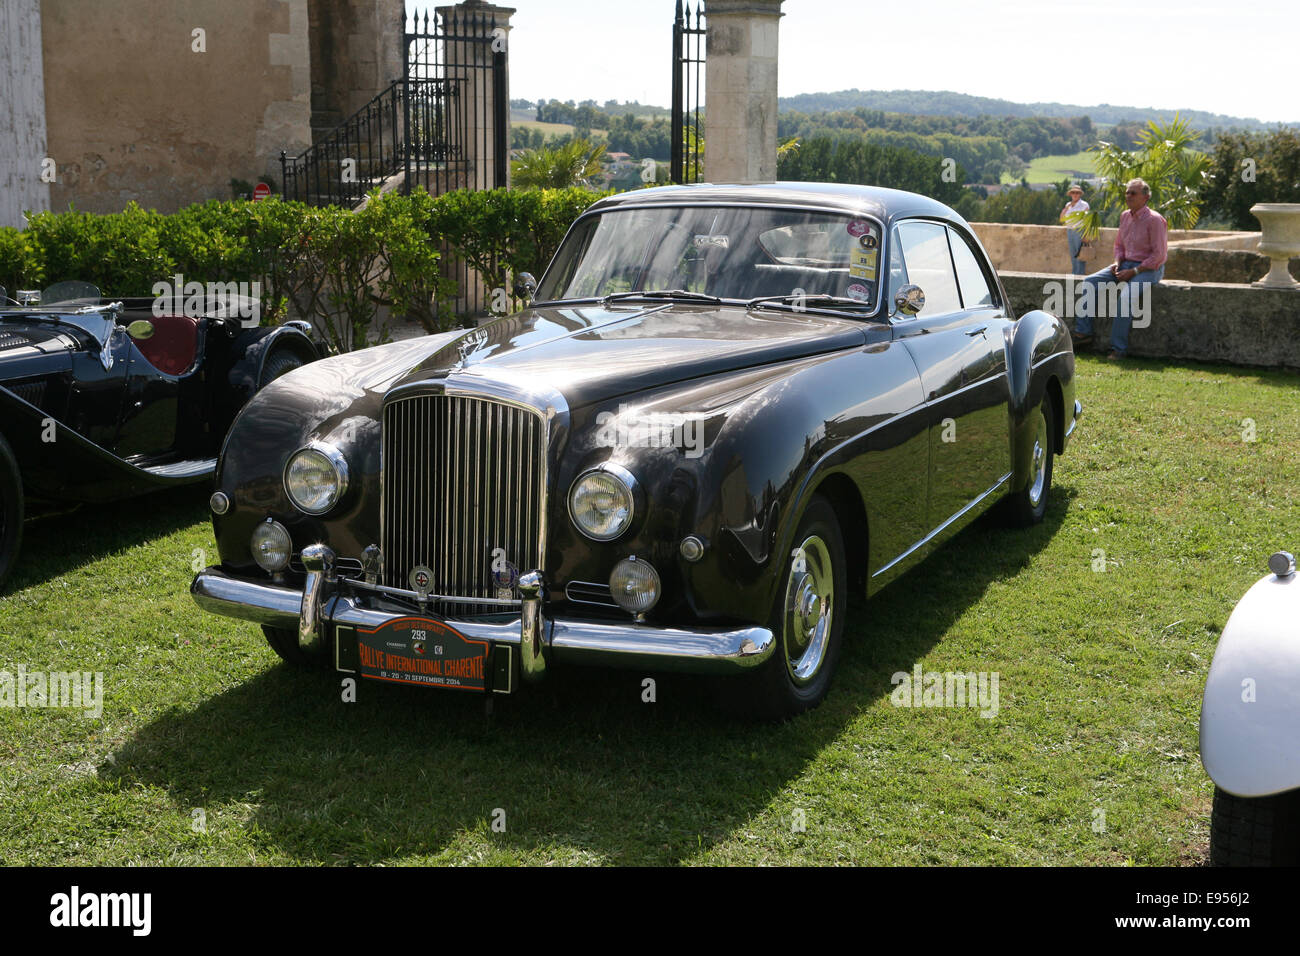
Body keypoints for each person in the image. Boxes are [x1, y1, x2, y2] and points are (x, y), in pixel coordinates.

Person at [1071, 178, 1167, 360]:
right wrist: (1116, 262)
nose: (1128, 196)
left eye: (1133, 193)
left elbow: (1159, 256)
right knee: (1089, 282)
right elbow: (1119, 245)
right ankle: (1083, 333)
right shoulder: (1125, 216)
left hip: (1148, 270)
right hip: (1124, 265)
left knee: (1125, 298)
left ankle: (1118, 349)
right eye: (1127, 192)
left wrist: (1134, 272)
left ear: (1145, 197)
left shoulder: (1155, 220)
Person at [1060, 184, 1090, 275]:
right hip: (1070, 230)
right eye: (1073, 192)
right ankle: (1075, 273)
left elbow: (1087, 220)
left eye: (1077, 193)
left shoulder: (1084, 205)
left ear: (1080, 194)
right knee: (1073, 254)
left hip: (1079, 230)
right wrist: (1065, 210)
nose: (1075, 194)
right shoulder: (1068, 204)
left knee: (1080, 254)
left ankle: (1079, 274)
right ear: (1070, 194)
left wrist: (1085, 234)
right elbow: (1062, 219)